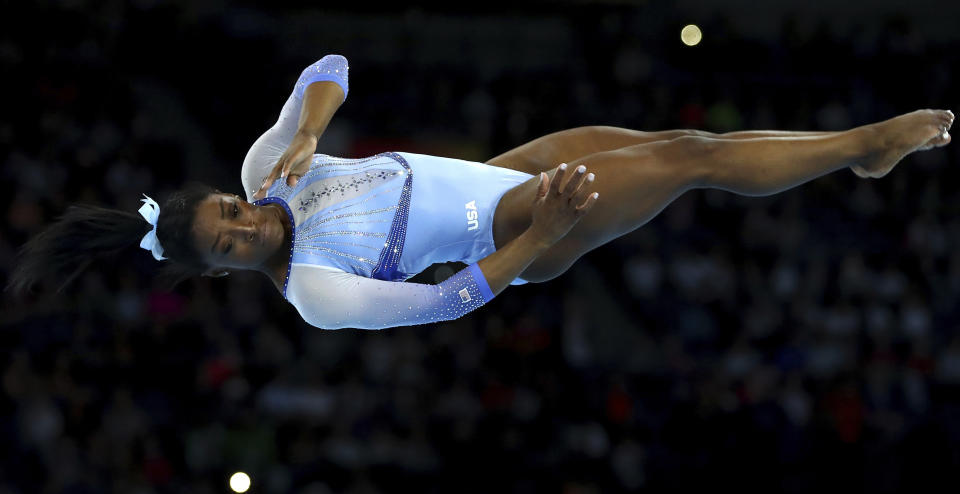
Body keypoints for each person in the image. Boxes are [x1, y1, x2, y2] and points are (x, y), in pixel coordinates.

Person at [8, 55, 953, 330]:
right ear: (222, 273)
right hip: (513, 220)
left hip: (505, 170)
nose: (249, 222)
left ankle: (859, 152)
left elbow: (330, 67)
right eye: (231, 242)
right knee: (693, 158)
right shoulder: (318, 293)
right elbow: (449, 299)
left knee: (685, 141)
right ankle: (867, 148)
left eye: (230, 210)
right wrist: (544, 231)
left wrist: (304, 131)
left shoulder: (271, 172)